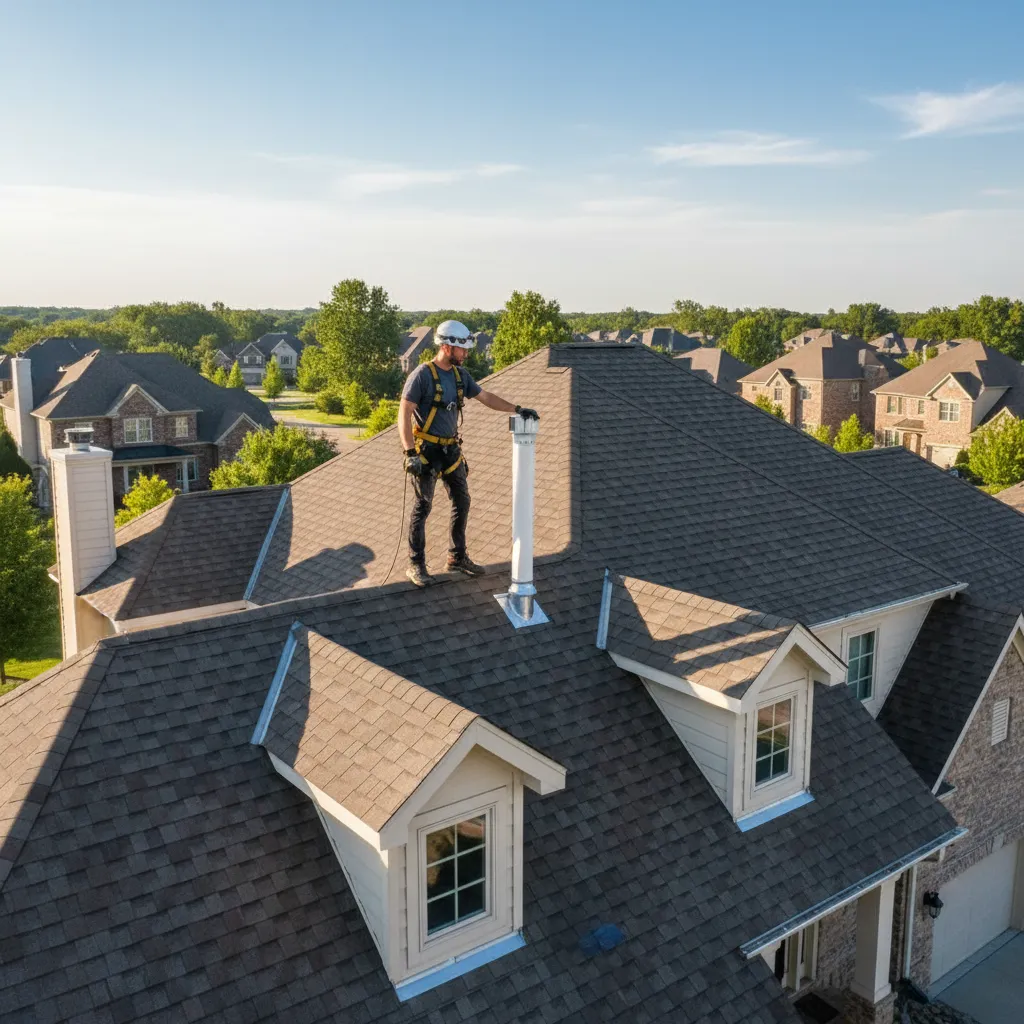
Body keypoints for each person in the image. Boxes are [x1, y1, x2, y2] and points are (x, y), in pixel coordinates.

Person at [398, 320, 538, 587]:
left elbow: (486, 398)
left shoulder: (461, 376)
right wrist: (409, 452)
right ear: (449, 347)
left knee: (462, 501)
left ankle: (457, 557)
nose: (466, 354)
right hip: (426, 452)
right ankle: (416, 564)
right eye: (463, 350)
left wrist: (517, 409)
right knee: (423, 506)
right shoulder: (422, 375)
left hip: (450, 450)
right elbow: (403, 413)